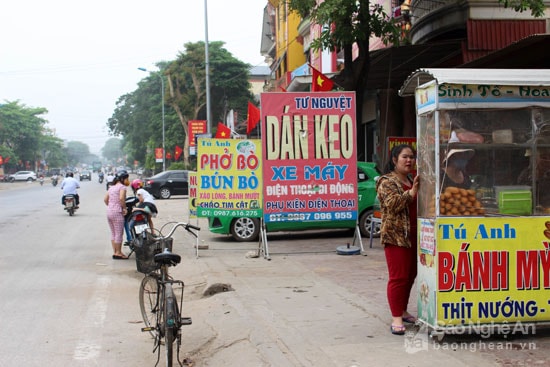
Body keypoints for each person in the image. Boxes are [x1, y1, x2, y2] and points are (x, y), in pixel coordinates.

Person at [375, 144, 420, 336]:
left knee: (411, 276)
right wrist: (411, 192)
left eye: (411, 157)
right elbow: (391, 204)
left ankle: (403, 309)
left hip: (415, 235)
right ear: (394, 160)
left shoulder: (412, 179)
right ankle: (396, 318)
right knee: (398, 277)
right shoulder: (387, 181)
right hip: (396, 237)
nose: (409, 160)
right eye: (404, 157)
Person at [104, 170, 130, 259]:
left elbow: (105, 199)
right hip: (117, 212)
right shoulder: (122, 187)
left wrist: (111, 205)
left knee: (113, 233)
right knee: (119, 233)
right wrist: (124, 208)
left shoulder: (111, 187)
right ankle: (118, 252)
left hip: (109, 212)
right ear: (122, 179)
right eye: (126, 178)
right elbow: (122, 198)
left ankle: (115, 251)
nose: (127, 180)